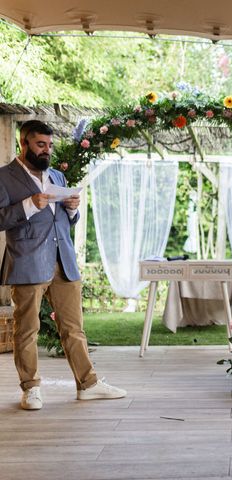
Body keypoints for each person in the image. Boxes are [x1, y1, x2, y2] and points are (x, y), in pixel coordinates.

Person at [0, 120, 126, 410]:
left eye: (49, 145)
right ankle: (30, 388)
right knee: (26, 329)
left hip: (63, 261)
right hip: (28, 261)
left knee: (74, 328)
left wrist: (72, 210)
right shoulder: (4, 178)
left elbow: (62, 222)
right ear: (24, 143)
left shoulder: (56, 174)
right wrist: (29, 204)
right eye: (40, 144)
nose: (46, 151)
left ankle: (88, 384)